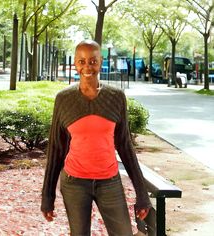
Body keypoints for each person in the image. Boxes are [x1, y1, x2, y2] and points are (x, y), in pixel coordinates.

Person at [41, 39, 151, 236]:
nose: (87, 67)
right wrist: (47, 197)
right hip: (74, 183)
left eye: (93, 61)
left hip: (109, 181)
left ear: (101, 62)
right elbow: (57, 149)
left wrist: (142, 194)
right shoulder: (64, 99)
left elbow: (125, 146)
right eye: (82, 61)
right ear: (75, 64)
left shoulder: (115, 97)